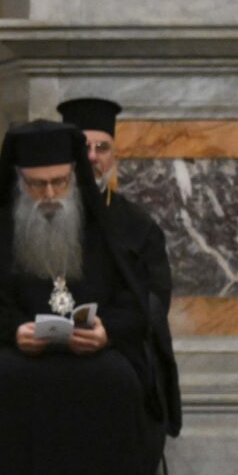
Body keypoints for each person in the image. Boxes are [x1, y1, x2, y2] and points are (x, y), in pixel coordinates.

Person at [0, 121, 171, 475]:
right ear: (18, 180)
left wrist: (106, 331)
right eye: (37, 184)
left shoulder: (107, 231)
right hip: (19, 352)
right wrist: (14, 332)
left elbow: (136, 306)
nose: (49, 195)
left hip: (91, 349)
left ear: (74, 176)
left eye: (59, 182)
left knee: (115, 377)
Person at [57, 95, 181, 449]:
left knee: (119, 381)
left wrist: (107, 332)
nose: (93, 156)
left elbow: (154, 301)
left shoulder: (139, 227)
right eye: (83, 146)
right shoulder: (38, 214)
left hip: (117, 346)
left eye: (103, 147)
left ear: (114, 156)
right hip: (45, 344)